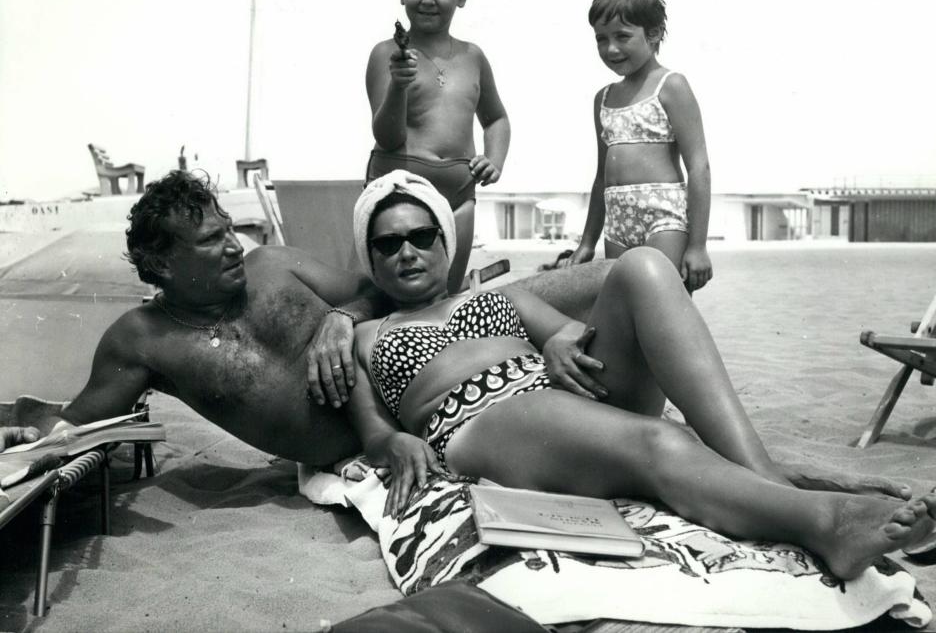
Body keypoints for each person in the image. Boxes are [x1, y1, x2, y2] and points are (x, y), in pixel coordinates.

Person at [344, 171, 936, 582]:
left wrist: (556, 344)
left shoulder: (500, 297)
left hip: (559, 395)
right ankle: (823, 524)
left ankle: (761, 474)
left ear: (444, 242)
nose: (408, 252)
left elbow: (564, 333)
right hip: (482, 421)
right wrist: (392, 441)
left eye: (421, 236)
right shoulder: (367, 336)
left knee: (645, 267)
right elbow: (373, 429)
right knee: (662, 440)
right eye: (388, 243)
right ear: (371, 259)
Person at [47, 171, 606, 468]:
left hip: (428, 368)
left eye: (230, 229)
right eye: (212, 240)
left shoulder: (276, 264)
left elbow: (378, 287)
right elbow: (78, 428)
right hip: (388, 439)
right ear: (164, 263)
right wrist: (38, 439)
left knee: (613, 280)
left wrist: (341, 317)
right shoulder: (140, 340)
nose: (234, 246)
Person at [365, 0, 510, 293]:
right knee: (397, 295)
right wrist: (399, 85)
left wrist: (494, 159)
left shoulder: (473, 57)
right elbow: (387, 137)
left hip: (461, 191)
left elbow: (496, 119)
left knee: (446, 292)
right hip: (402, 186)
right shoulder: (387, 54)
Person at [560, 0, 712, 294]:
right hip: (618, 223)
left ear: (654, 34)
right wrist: (587, 243)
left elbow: (699, 167)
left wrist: (697, 246)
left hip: (663, 216)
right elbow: (602, 177)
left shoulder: (670, 85)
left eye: (622, 36)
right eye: (601, 39)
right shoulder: (603, 97)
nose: (611, 48)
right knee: (627, 308)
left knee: (663, 305)